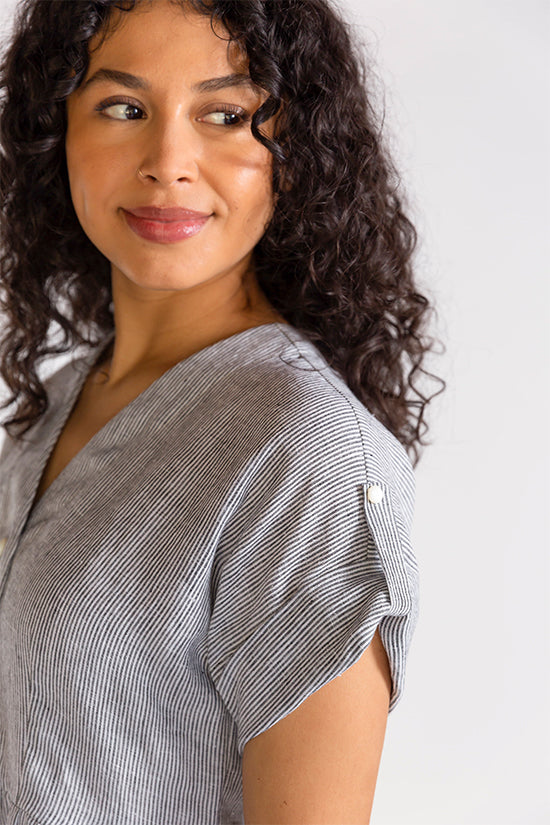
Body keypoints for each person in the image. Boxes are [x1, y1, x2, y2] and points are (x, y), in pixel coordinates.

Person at [0, 0, 442, 822]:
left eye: (228, 115)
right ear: (55, 130)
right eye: (123, 107)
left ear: (296, 151)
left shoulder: (304, 451)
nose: (168, 162)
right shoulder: (53, 401)